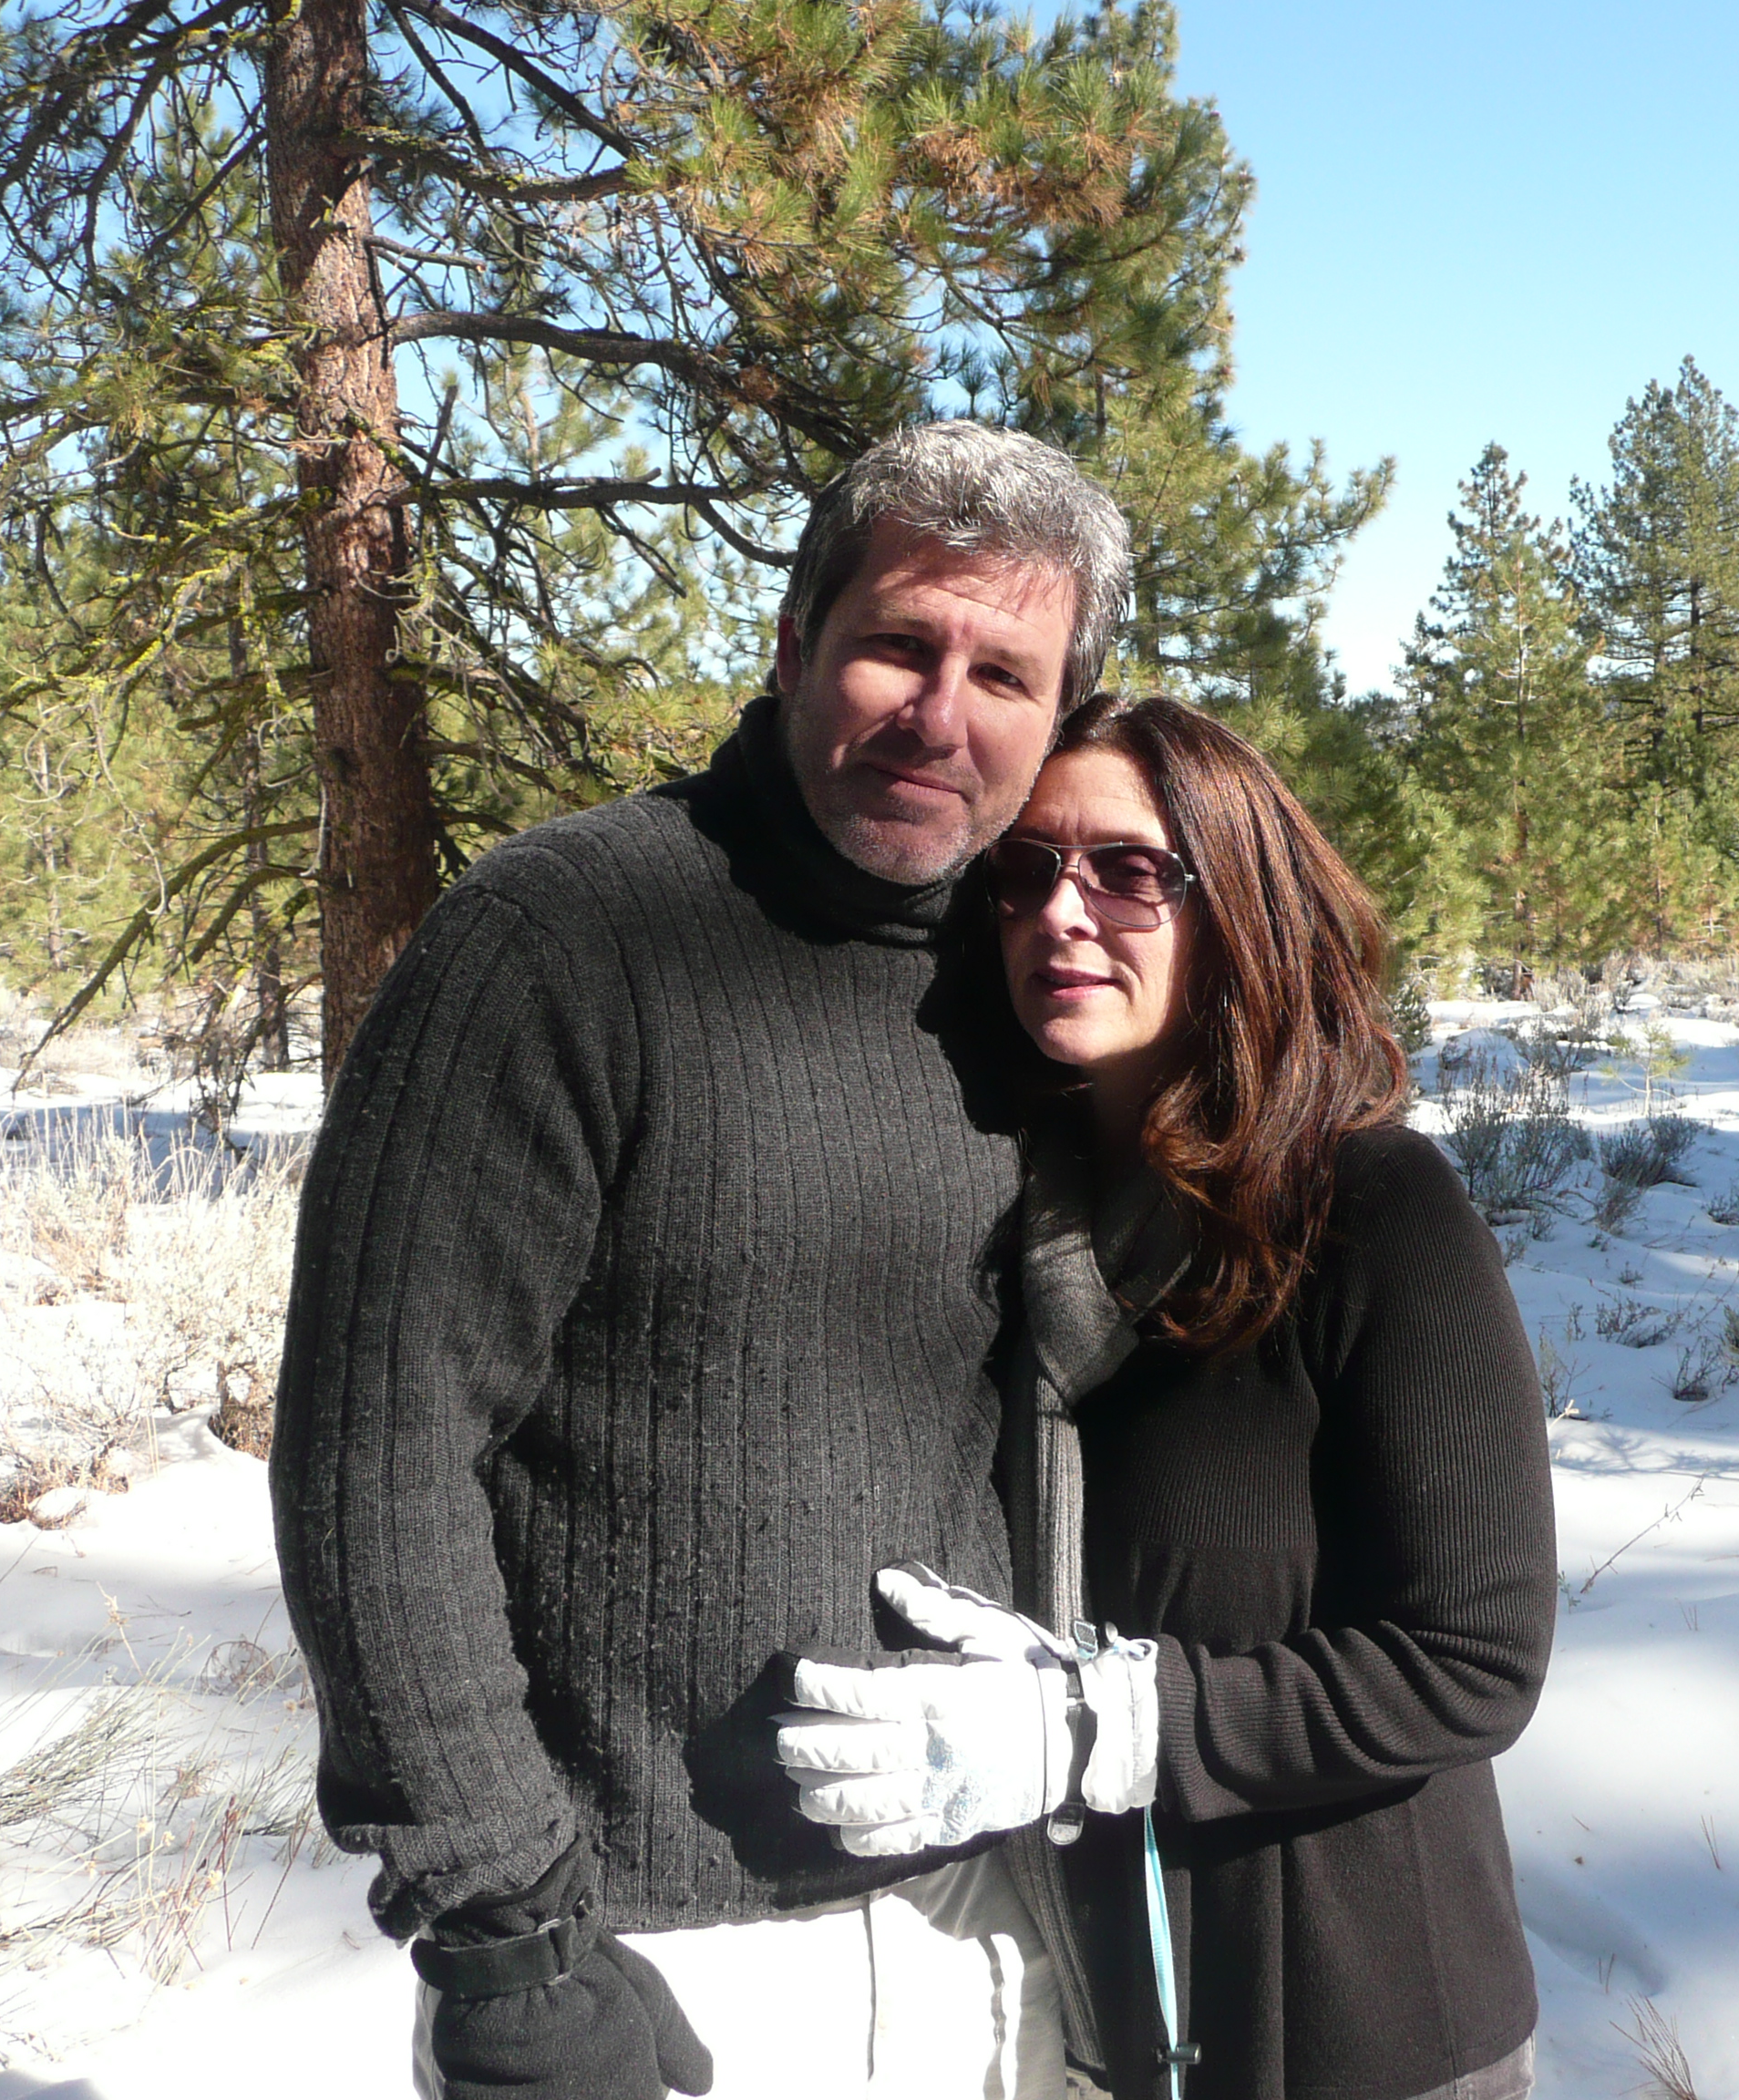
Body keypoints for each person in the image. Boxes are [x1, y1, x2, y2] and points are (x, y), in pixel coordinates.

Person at [268, 421, 1133, 2100]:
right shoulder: (559, 941)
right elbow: (378, 1455)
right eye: (898, 643)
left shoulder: (1030, 974)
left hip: (988, 1900)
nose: (939, 714)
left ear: (1061, 713)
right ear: (798, 639)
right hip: (647, 1949)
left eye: (1005, 674)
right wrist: (507, 1937)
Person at [774, 694, 1558, 2100]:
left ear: (1238, 907)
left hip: (1361, 2024)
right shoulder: (1013, 1211)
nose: (1063, 913)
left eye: (1131, 871)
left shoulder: (1373, 1209)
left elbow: (1475, 1655)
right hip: (1097, 2010)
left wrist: (1096, 1730)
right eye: (1027, 870)